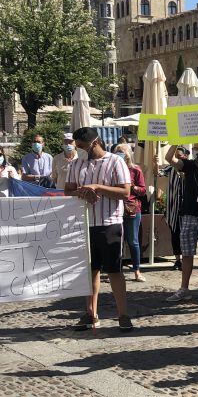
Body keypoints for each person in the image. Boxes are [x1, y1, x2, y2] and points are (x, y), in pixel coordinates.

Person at [65, 127, 133, 331]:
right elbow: (68, 190)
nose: (79, 149)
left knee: (114, 270)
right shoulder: (76, 163)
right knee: (89, 271)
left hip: (110, 222)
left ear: (94, 143)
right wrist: (82, 192)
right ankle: (91, 313)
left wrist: (98, 187)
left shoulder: (115, 161)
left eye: (82, 146)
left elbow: (125, 192)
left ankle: (123, 314)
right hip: (85, 223)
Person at [164, 142, 198, 303]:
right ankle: (184, 288)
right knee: (186, 253)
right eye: (196, 148)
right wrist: (175, 140)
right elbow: (169, 158)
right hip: (188, 214)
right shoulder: (188, 165)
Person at [117, 147, 147, 283]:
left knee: (133, 241)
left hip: (132, 209)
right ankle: (117, 270)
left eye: (122, 151)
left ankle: (137, 270)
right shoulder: (113, 168)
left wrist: (133, 187)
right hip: (115, 208)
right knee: (117, 241)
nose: (120, 153)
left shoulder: (136, 170)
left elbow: (143, 190)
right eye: (117, 151)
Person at [164, 147, 187, 270]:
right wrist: (155, 164)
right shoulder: (170, 169)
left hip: (185, 208)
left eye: (179, 156)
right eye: (175, 156)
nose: (177, 159)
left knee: (185, 235)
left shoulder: (188, 168)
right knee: (175, 234)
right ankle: (177, 259)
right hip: (173, 208)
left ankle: (186, 259)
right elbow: (158, 173)